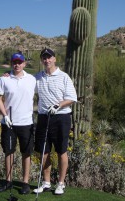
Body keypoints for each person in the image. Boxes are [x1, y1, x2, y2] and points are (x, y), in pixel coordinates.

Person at [33, 48, 77, 195]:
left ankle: (61, 183)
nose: (47, 60)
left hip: (61, 118)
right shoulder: (38, 77)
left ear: (54, 59)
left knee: (61, 151)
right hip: (44, 117)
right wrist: (9, 75)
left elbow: (72, 98)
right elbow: (24, 83)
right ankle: (46, 183)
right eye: (44, 58)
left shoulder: (64, 77)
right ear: (42, 60)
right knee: (44, 151)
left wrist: (58, 105)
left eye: (49, 57)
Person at [0, 52, 36, 195]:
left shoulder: (32, 79)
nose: (17, 64)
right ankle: (8, 181)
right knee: (9, 152)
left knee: (26, 153)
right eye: (14, 62)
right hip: (9, 122)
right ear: (11, 63)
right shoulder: (4, 79)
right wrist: (4, 115)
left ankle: (25, 183)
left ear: (24, 63)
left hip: (26, 123)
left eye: (20, 62)